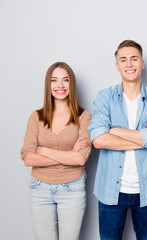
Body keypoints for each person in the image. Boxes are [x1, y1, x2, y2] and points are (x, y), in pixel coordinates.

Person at [88, 40, 147, 240]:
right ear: (117, 65)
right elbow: (98, 140)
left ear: (142, 63)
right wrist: (144, 136)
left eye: (134, 59)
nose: (129, 64)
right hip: (110, 190)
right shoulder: (104, 97)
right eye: (123, 60)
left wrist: (114, 131)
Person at [21, 62, 91, 240]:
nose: (60, 85)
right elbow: (28, 159)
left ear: (72, 84)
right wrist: (69, 156)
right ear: (48, 84)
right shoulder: (35, 117)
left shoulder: (83, 117)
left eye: (65, 80)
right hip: (39, 189)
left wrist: (43, 150)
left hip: (72, 188)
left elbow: (81, 159)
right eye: (54, 80)